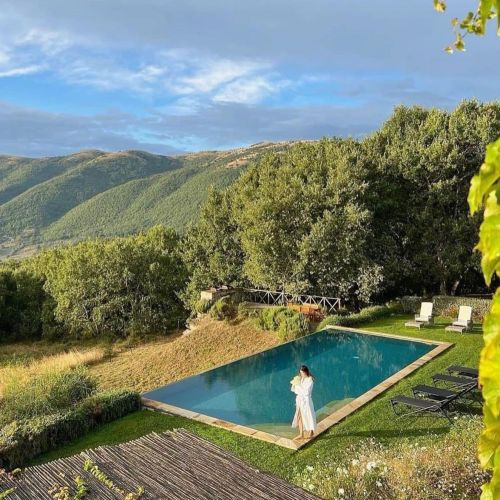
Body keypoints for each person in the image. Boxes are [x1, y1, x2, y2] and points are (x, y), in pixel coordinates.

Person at [291, 365, 316, 440]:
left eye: (303, 373)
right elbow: (294, 390)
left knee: (309, 416)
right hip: (300, 400)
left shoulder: (310, 380)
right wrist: (295, 384)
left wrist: (298, 385)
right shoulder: (300, 379)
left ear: (306, 372)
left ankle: (311, 431)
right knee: (299, 416)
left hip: (306, 401)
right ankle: (301, 434)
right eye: (301, 373)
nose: (302, 374)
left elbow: (306, 392)